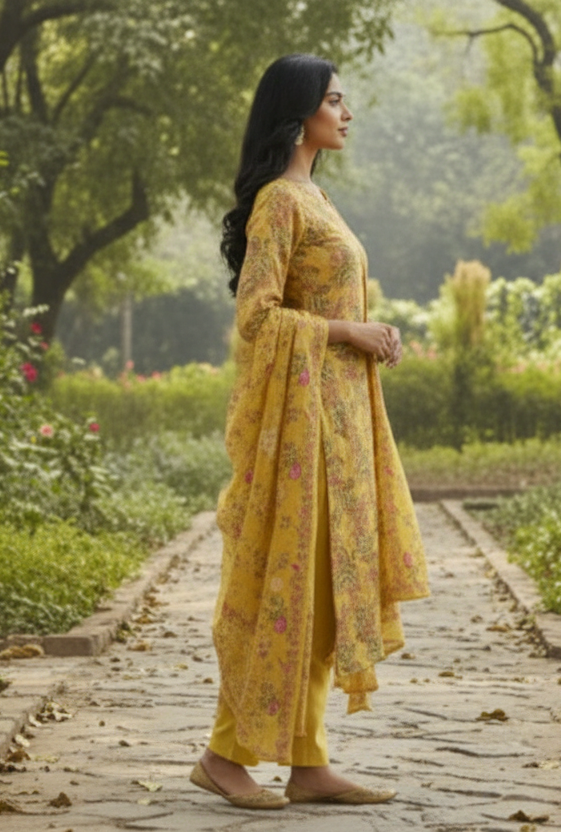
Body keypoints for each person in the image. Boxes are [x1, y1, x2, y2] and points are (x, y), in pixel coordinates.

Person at [190, 53, 429, 810]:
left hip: (343, 427)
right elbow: (258, 318)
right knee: (286, 587)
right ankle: (225, 756)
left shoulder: (318, 197)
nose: (347, 111)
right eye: (334, 99)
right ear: (300, 114)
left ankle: (307, 759)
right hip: (298, 439)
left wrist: (365, 336)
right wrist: (348, 332)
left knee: (331, 590)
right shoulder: (279, 204)